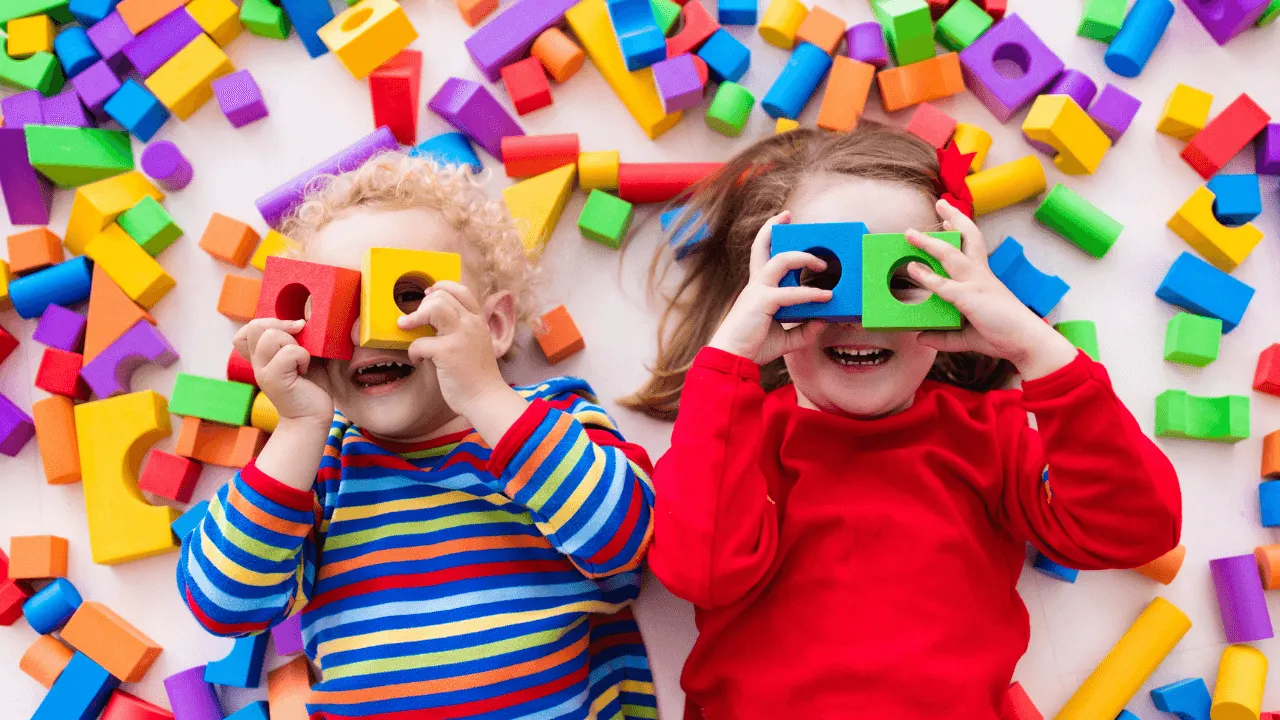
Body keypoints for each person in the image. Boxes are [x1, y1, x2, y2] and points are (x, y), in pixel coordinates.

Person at [625, 125, 1181, 719]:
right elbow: (700, 573)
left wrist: (1034, 350)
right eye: (822, 281)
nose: (861, 319)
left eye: (901, 282)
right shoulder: (736, 434)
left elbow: (1138, 529)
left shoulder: (989, 436)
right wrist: (727, 364)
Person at [176, 153, 658, 719]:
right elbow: (225, 606)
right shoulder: (319, 467)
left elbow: (625, 540)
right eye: (336, 308)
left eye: (407, 296)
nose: (365, 332)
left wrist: (484, 396)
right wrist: (298, 427)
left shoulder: (550, 420)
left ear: (495, 326)